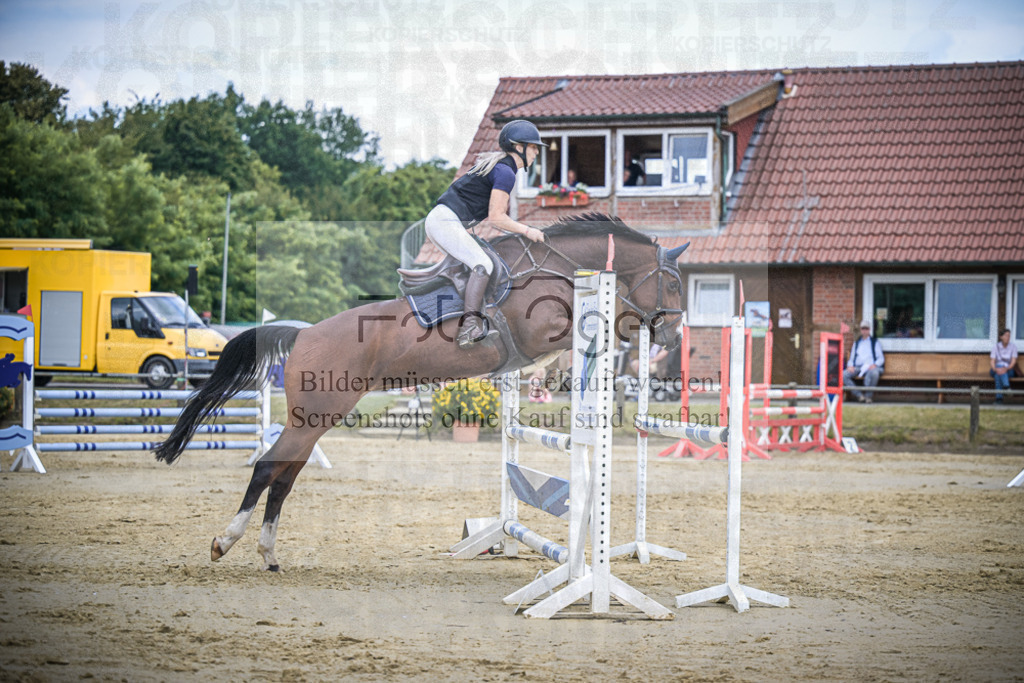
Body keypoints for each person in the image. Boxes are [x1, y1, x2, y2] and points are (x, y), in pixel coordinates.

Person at [427, 120, 548, 348]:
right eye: (533, 147)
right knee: (483, 264)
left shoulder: (501, 167)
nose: (536, 152)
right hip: (445, 222)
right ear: (518, 147)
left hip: (442, 221)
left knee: (476, 264)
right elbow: (497, 218)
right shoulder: (505, 173)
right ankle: (470, 326)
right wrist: (528, 230)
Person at [843, 319, 884, 403]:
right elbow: (851, 358)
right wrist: (850, 366)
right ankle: (859, 395)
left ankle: (868, 397)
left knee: (874, 373)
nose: (865, 331)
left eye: (866, 329)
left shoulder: (875, 342)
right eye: (863, 329)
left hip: (870, 367)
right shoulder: (857, 343)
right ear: (861, 330)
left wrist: (875, 365)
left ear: (869, 330)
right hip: (858, 367)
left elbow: (881, 358)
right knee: (843, 375)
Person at [990, 328, 1019, 404]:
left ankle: (999, 400)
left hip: (1009, 370)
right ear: (1001, 337)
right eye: (1006, 335)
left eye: (1009, 336)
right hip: (996, 369)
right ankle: (1006, 387)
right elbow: (992, 361)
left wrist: (1006, 369)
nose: (1008, 337)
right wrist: (996, 369)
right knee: (998, 371)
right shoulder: (996, 347)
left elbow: (1013, 361)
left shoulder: (1013, 347)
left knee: (998, 376)